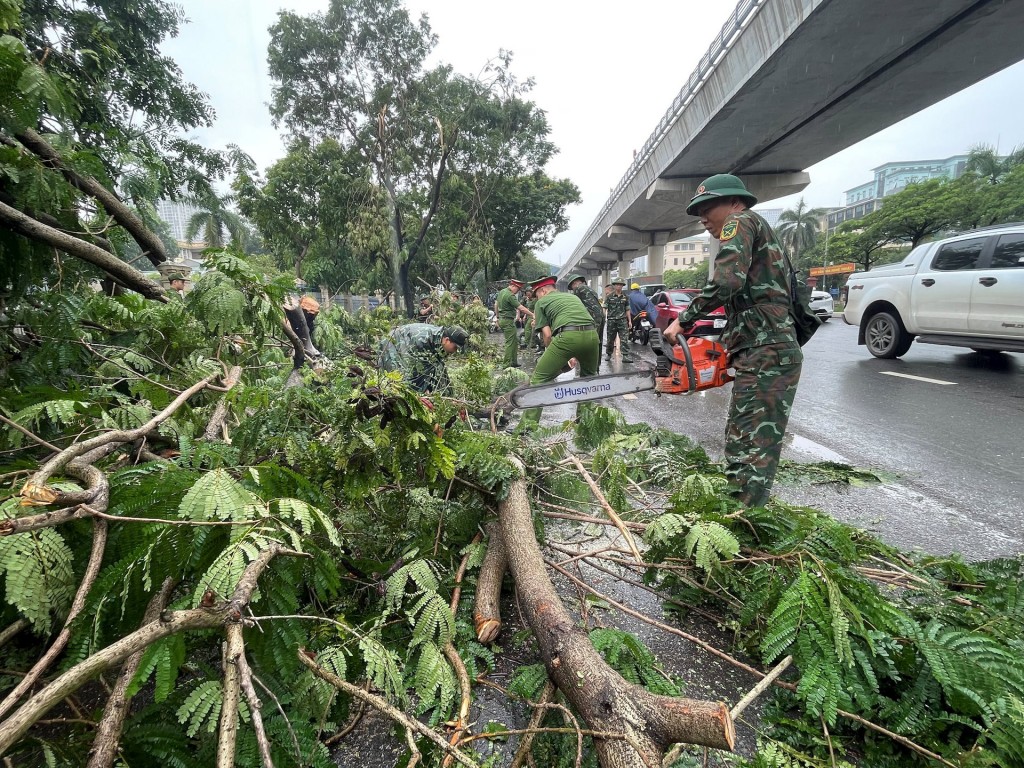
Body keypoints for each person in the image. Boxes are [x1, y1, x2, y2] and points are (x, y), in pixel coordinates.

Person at [664, 173, 803, 508]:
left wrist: (684, 319)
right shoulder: (761, 231)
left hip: (764, 347)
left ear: (734, 202)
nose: (703, 217)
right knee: (754, 440)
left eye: (708, 206)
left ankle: (743, 525)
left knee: (748, 444)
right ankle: (749, 515)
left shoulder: (739, 221)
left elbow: (727, 281)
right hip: (768, 345)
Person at [519, 276, 600, 427]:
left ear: (542, 291)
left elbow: (548, 335)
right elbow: (575, 321)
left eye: (536, 294)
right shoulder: (572, 297)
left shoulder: (541, 302)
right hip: (592, 336)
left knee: (539, 379)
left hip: (568, 338)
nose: (536, 297)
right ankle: (585, 421)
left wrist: (555, 356)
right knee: (588, 377)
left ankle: (527, 426)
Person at [379, 323, 469, 394]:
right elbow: (417, 370)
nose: (455, 351)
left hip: (408, 344)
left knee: (435, 369)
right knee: (401, 380)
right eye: (455, 347)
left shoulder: (439, 340)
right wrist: (421, 391)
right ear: (446, 340)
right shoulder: (423, 341)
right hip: (394, 342)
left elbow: (437, 367)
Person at [494, 279, 533, 368]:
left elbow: (496, 305)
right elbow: (521, 308)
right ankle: (506, 364)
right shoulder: (510, 295)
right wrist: (532, 314)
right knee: (510, 343)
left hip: (502, 319)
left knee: (514, 341)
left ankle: (513, 362)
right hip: (508, 321)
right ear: (513, 286)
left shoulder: (502, 292)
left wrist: (497, 317)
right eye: (518, 289)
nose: (518, 291)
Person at [567, 274, 604, 359]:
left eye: (572, 287)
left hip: (592, 317)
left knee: (591, 341)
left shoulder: (578, 288)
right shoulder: (590, 289)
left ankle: (590, 366)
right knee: (598, 341)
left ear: (575, 283)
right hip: (600, 316)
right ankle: (596, 366)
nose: (573, 289)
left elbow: (575, 305)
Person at [604, 279, 632, 363]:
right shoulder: (609, 296)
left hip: (622, 320)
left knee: (624, 338)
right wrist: (604, 317)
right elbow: (605, 307)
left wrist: (629, 321)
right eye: (617, 284)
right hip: (611, 320)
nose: (619, 286)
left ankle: (625, 356)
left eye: (620, 285)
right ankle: (609, 354)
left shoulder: (625, 297)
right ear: (614, 286)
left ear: (622, 286)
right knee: (610, 339)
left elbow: (627, 309)